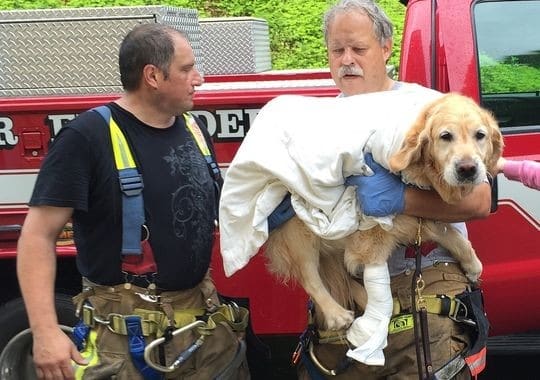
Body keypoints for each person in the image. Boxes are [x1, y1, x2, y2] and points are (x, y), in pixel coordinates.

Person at [270, 1, 492, 379]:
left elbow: (480, 201)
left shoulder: (429, 108)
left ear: (386, 48)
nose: (347, 60)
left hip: (423, 289)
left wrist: (400, 198)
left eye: (359, 48)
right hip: (348, 298)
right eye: (337, 50)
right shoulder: (312, 123)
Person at [17, 24, 249, 380]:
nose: (199, 78)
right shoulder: (86, 138)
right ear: (153, 76)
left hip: (202, 327)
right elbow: (36, 237)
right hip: (125, 343)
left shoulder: (194, 128)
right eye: (187, 69)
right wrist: (46, 330)